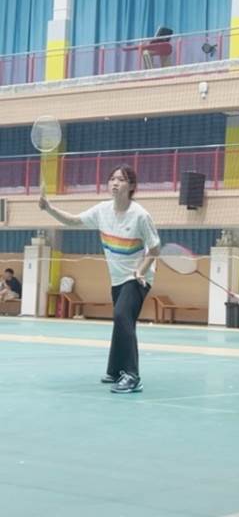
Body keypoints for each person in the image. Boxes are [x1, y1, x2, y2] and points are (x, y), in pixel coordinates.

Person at [39, 165, 161, 394]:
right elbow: (74, 221)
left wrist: (141, 271)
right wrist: (49, 208)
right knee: (122, 320)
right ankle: (115, 370)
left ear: (132, 186)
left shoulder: (140, 215)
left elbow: (155, 249)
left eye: (121, 179)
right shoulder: (102, 210)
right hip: (117, 277)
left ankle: (132, 376)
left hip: (138, 277)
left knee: (122, 316)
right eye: (112, 178)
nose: (115, 183)